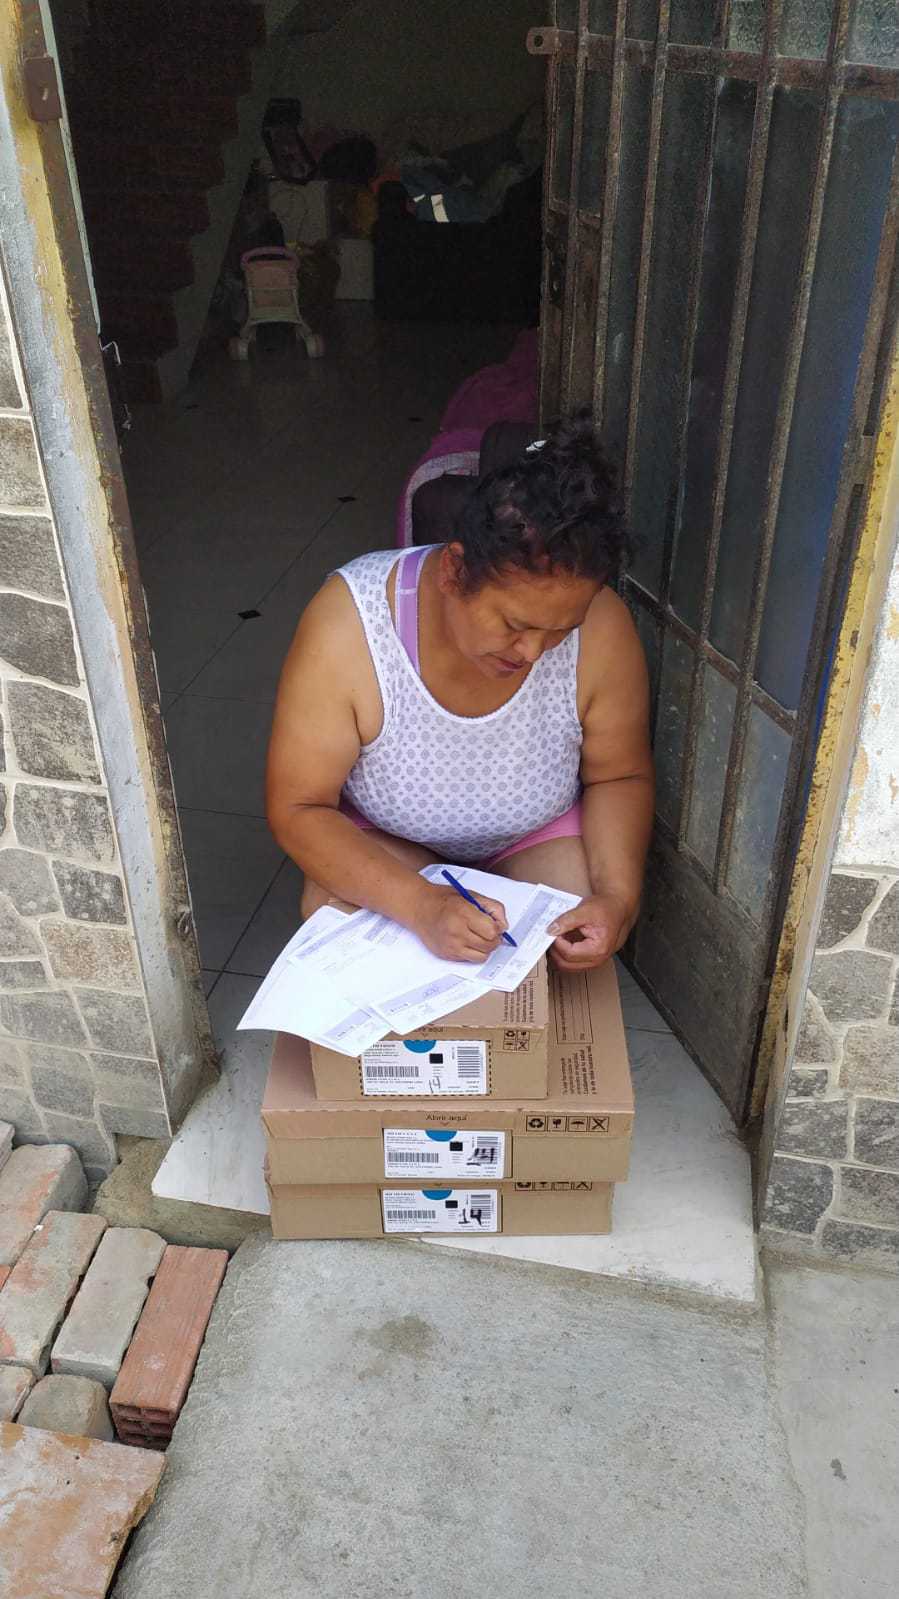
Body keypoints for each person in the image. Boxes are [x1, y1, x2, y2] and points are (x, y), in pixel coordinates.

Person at [266, 413, 654, 972]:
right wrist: (420, 905)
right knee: (337, 919)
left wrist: (619, 898)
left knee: (571, 932)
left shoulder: (603, 627)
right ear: (453, 571)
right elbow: (298, 807)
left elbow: (618, 776)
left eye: (559, 631)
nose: (533, 651)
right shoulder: (350, 622)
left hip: (535, 834)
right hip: (390, 837)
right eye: (515, 623)